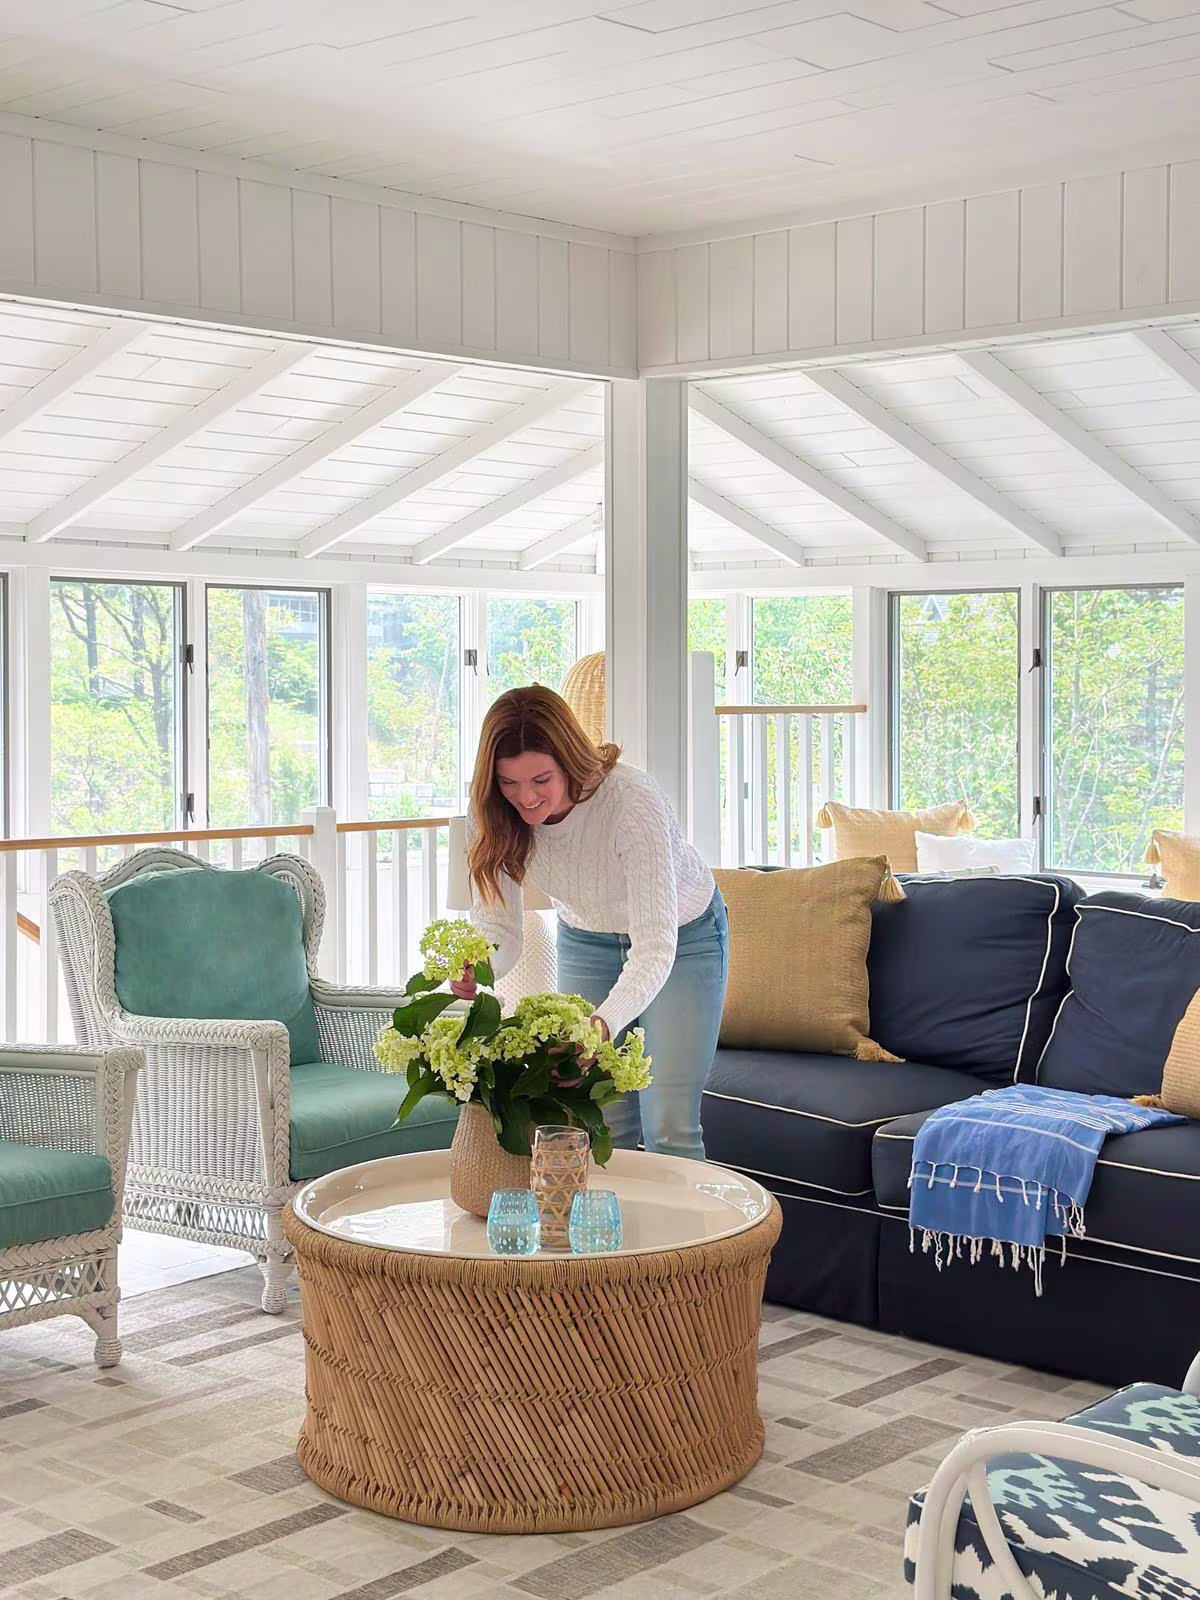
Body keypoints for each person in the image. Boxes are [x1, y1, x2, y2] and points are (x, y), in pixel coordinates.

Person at [457, 685, 727, 1162]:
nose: (526, 799)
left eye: (541, 779)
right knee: (595, 1116)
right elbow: (501, 931)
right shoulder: (491, 811)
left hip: (683, 940)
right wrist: (477, 970)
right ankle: (605, 1236)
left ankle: (690, 1240)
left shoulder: (630, 801)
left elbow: (654, 949)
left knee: (668, 1123)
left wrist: (602, 1024)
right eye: (509, 783)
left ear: (569, 760)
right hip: (585, 939)